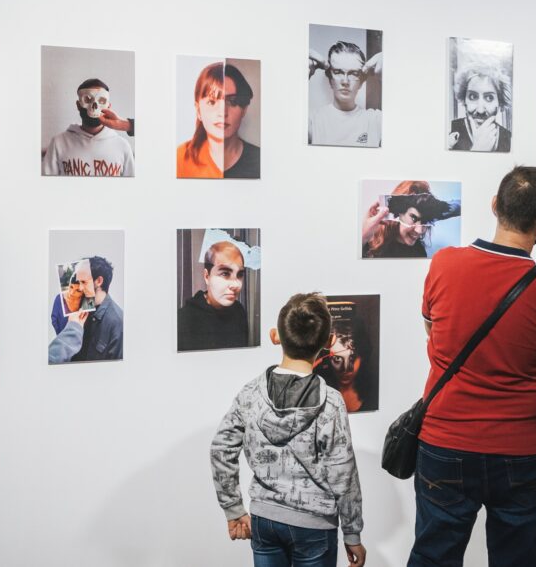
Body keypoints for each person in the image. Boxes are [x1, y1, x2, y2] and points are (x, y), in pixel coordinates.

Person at [408, 166, 536, 567]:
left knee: (433, 558)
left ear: (495, 205)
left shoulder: (445, 264)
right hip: (523, 449)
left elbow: (433, 335)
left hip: (445, 441)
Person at [210, 292, 366, 567]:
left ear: (275, 336)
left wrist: (233, 508)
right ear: (329, 343)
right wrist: (352, 532)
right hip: (314, 525)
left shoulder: (250, 394)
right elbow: (344, 472)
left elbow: (222, 447)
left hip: (265, 520)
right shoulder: (330, 402)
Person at [177, 62, 260, 179]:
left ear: (244, 110)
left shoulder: (259, 160)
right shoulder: (180, 159)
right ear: (198, 110)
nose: (222, 113)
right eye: (212, 102)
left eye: (232, 102)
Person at [42, 78, 136, 177]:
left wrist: (126, 125)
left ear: (108, 106)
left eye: (101, 101)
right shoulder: (58, 143)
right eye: (87, 100)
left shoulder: (123, 146)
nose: (94, 106)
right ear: (78, 105)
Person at [48, 256, 123, 363]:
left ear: (99, 281)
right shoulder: (74, 307)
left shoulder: (118, 322)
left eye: (84, 282)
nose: (80, 288)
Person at [178, 241, 250, 351]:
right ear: (207, 276)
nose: (236, 285)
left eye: (239, 274)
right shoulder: (185, 318)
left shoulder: (239, 311)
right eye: (225, 273)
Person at [308, 41, 382, 147]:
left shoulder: (375, 121)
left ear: (361, 82)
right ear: (330, 79)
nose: (345, 81)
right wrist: (300, 76)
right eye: (338, 72)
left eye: (354, 74)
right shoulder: (312, 121)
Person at [361, 181, 461, 259]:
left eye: (426, 221)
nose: (419, 231)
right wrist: (363, 238)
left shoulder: (418, 251)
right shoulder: (368, 241)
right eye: (413, 217)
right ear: (398, 212)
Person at [447, 63, 512, 152]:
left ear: (500, 102)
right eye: (473, 97)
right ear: (464, 99)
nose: (480, 110)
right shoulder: (449, 131)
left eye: (489, 98)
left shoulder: (509, 138)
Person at [51, 266, 95, 336]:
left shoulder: (88, 302)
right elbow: (54, 320)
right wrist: (62, 337)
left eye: (78, 291)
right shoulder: (60, 298)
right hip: (64, 341)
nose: (71, 293)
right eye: (71, 287)